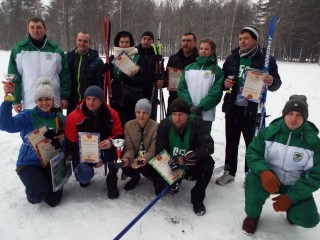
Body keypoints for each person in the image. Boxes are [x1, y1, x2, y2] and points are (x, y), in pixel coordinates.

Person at [242, 95, 320, 234]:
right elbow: (253, 154)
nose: (294, 119)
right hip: (270, 179)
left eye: (299, 115)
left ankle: (292, 212)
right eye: (290, 113)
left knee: (310, 219)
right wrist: (264, 172)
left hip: (294, 185)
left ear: (305, 118)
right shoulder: (269, 133)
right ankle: (252, 216)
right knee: (252, 180)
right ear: (284, 114)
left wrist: (292, 197)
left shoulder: (313, 143)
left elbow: (315, 175)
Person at [216, 26, 282, 185]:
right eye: (240, 39)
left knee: (252, 144)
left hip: (252, 109)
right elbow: (224, 82)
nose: (242, 41)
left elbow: (277, 83)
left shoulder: (265, 59)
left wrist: (272, 81)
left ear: (254, 40)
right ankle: (229, 171)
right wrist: (225, 84)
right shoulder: (232, 58)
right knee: (231, 141)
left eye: (245, 38)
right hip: (233, 107)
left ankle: (250, 173)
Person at [0, 77, 65, 207]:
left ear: (53, 100)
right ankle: (33, 189)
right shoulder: (28, 116)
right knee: (38, 194)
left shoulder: (60, 118)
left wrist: (64, 139)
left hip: (49, 162)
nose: (44, 103)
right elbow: (5, 124)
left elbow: (71, 140)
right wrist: (8, 97)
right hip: (29, 162)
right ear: (36, 101)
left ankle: (43, 181)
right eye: (40, 100)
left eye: (47, 99)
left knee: (54, 201)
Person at [156, 98, 214, 216]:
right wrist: (169, 173)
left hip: (191, 164)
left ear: (188, 115)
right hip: (172, 164)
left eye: (181, 115)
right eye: (174, 114)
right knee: (157, 162)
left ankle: (197, 198)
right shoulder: (165, 124)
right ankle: (172, 182)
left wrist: (190, 157)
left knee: (208, 164)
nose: (177, 118)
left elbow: (208, 146)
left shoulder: (197, 123)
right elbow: (160, 151)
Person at [65, 86, 123, 199]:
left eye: (95, 99)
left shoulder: (112, 114)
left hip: (105, 150)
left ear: (101, 101)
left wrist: (111, 142)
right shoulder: (73, 117)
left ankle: (112, 178)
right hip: (83, 154)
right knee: (84, 176)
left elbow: (119, 135)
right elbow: (71, 145)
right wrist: (90, 158)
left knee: (119, 148)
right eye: (88, 99)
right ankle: (84, 175)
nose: (91, 102)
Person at [7, 17, 71, 113]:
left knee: (56, 128)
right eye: (32, 27)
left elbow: (65, 76)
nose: (35, 30)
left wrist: (65, 97)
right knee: (33, 128)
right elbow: (14, 77)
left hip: (53, 103)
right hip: (30, 103)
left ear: (45, 29)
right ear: (28, 29)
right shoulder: (19, 50)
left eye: (38, 27)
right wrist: (16, 100)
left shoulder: (56, 50)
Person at [178, 38, 224, 132]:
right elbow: (182, 88)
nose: (203, 51)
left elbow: (216, 93)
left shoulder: (216, 70)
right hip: (188, 112)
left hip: (205, 115)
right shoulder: (189, 68)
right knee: (187, 139)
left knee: (203, 141)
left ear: (212, 51)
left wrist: (200, 107)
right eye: (201, 48)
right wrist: (189, 105)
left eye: (206, 49)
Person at [121, 98, 165, 195]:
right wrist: (127, 159)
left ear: (149, 114)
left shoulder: (156, 127)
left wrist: (142, 160)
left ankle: (156, 180)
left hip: (149, 159)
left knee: (146, 169)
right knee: (124, 164)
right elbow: (129, 147)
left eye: (144, 113)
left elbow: (153, 150)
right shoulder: (128, 125)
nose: (141, 116)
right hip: (136, 156)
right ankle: (135, 177)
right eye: (138, 112)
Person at [66, 31, 105, 114]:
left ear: (89, 43)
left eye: (85, 41)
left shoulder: (97, 61)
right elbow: (65, 79)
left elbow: (100, 84)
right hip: (72, 101)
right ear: (76, 40)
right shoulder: (69, 58)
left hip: (89, 103)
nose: (81, 43)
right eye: (80, 40)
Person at [109, 31, 140, 124]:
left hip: (132, 96)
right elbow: (110, 77)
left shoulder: (137, 56)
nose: (124, 45)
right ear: (118, 43)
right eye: (122, 42)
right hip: (117, 96)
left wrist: (130, 78)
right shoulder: (112, 57)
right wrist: (107, 69)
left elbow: (141, 77)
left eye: (127, 42)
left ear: (130, 43)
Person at [163, 32, 198, 111]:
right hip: (174, 99)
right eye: (183, 41)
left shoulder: (199, 60)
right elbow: (166, 76)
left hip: (192, 101)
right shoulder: (173, 58)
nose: (185, 43)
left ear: (195, 43)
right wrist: (163, 82)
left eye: (189, 41)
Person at [137, 31, 164, 120]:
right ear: (141, 40)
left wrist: (160, 77)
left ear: (152, 41)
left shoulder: (156, 56)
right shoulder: (135, 53)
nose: (146, 41)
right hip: (137, 90)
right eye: (144, 38)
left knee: (151, 116)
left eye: (149, 39)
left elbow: (162, 73)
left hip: (151, 90)